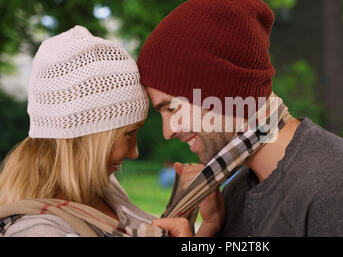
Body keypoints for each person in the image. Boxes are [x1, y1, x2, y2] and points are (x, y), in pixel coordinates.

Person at [137, 0, 343, 236]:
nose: (168, 132)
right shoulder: (239, 190)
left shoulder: (339, 193)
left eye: (171, 108)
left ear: (219, 88)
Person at [0, 25, 222, 237]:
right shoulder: (38, 230)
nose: (134, 152)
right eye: (129, 133)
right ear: (90, 136)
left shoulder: (101, 188)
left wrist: (209, 225)